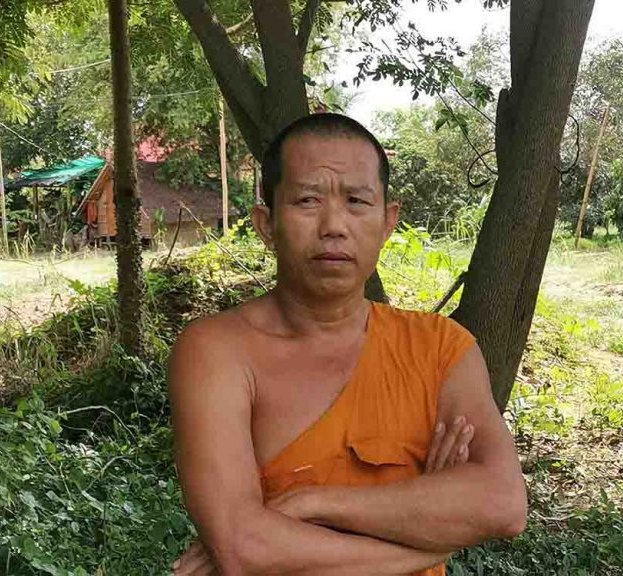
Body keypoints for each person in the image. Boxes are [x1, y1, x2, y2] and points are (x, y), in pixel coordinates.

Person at [169, 113, 527, 576]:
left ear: (387, 221)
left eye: (357, 201)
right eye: (307, 200)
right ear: (266, 223)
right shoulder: (217, 352)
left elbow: (502, 503)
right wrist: (429, 542)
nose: (334, 225)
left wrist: (311, 504)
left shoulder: (439, 349)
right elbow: (245, 549)